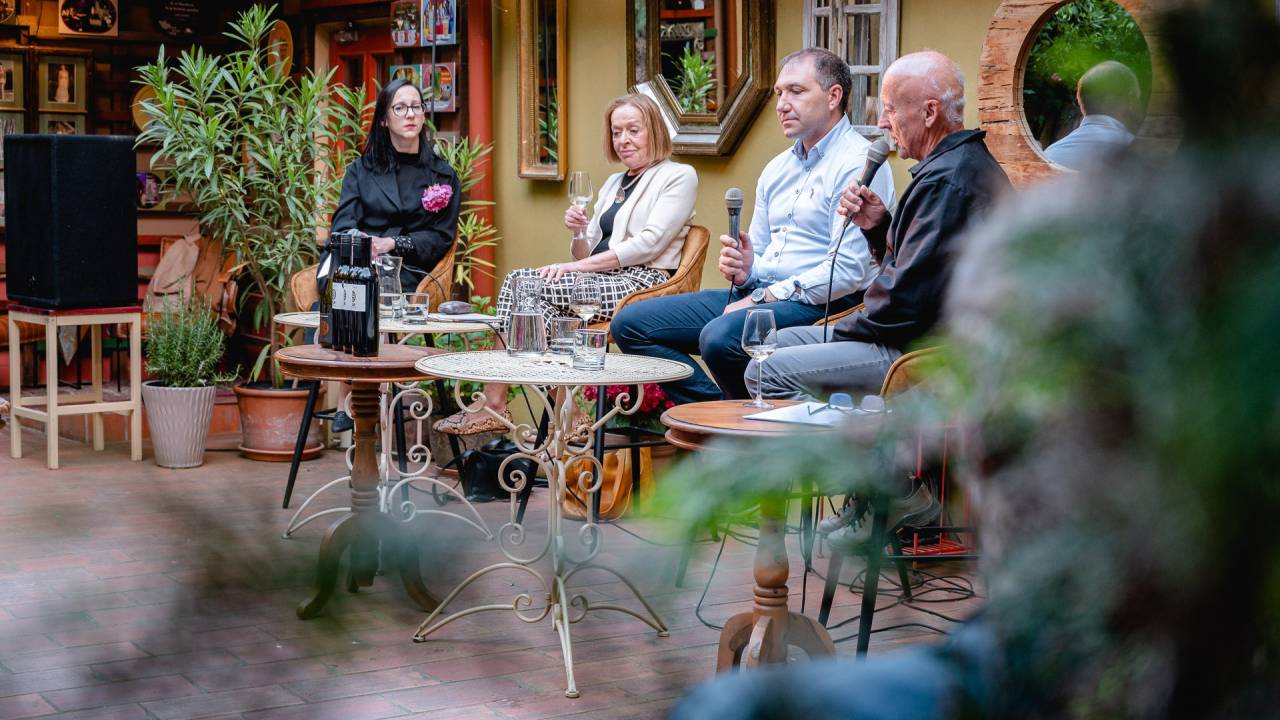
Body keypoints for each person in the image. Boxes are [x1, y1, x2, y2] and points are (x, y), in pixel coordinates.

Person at [612, 48, 895, 405]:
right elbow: (759, 254)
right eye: (779, 93)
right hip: (764, 292)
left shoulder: (857, 163)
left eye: (796, 91)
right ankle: (716, 414)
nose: (782, 105)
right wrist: (747, 270)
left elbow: (847, 272)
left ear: (833, 96)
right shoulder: (777, 168)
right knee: (630, 324)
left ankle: (741, 422)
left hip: (823, 301)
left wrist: (762, 296)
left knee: (721, 337)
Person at [746, 51, 1011, 406]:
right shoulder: (949, 167)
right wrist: (877, 227)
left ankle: (851, 437)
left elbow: (906, 303)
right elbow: (917, 266)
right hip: (897, 333)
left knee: (764, 370)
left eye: (889, 109)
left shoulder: (948, 181)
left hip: (916, 351)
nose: (882, 122)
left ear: (929, 112)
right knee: (772, 344)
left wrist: (844, 329)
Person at [432, 93, 698, 434]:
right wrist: (578, 232)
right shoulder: (614, 183)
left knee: (521, 281)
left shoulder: (679, 175)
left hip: (644, 283)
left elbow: (650, 244)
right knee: (539, 307)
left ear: (655, 131)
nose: (623, 140)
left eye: (633, 130)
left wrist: (574, 268)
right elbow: (584, 256)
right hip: (603, 280)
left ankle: (494, 404)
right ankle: (567, 416)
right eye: (616, 132)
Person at [326, 77, 462, 431]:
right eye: (400, 108)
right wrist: (365, 243)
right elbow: (342, 225)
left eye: (416, 106)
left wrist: (393, 244)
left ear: (424, 115)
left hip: (411, 269)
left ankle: (351, 397)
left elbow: (440, 237)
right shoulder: (361, 170)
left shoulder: (442, 174)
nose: (410, 114)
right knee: (356, 276)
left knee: (363, 287)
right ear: (385, 119)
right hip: (361, 262)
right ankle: (354, 393)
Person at [1044, 60, 1140, 171]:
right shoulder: (1141, 156)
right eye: (1139, 98)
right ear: (1131, 99)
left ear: (1080, 102)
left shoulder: (1049, 155)